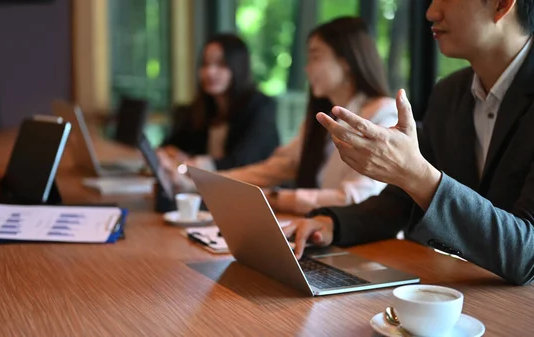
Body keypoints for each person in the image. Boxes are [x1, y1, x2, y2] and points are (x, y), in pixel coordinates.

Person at [285, 0, 534, 285]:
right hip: (457, 291)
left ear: (501, 5)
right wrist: (331, 223)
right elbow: (401, 203)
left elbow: (527, 254)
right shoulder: (449, 92)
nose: (431, 12)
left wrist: (415, 173)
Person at [166, 18, 399, 215]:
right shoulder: (323, 118)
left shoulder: (382, 114)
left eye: (315, 57)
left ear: (347, 63)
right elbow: (277, 167)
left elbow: (356, 198)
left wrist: (277, 198)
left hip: (363, 242)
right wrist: (211, 182)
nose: (307, 69)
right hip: (322, 229)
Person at [160, 33, 279, 172]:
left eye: (221, 64)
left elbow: (246, 160)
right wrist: (176, 155)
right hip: (206, 187)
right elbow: (171, 146)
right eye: (205, 64)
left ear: (238, 67)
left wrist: (198, 163)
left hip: (252, 188)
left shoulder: (260, 106)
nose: (210, 72)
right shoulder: (201, 107)